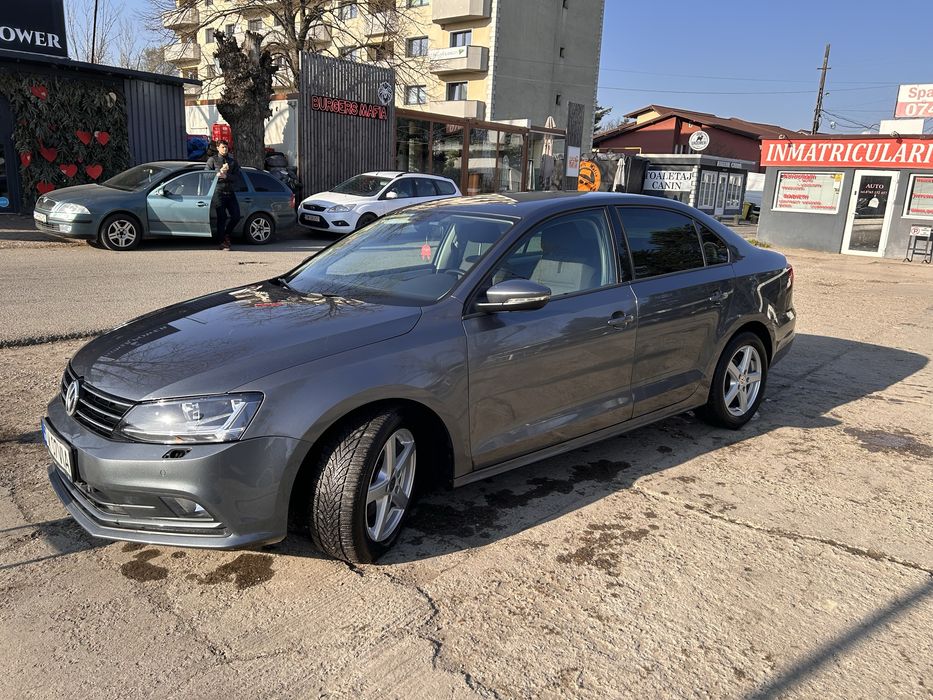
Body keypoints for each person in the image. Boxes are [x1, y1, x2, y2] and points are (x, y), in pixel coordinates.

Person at [206, 140, 242, 250]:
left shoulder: (232, 161)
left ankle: (227, 234)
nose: (225, 149)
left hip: (230, 192)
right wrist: (217, 174)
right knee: (222, 217)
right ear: (218, 148)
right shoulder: (213, 160)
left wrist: (227, 176)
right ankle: (222, 242)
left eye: (226, 147)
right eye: (222, 147)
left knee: (236, 216)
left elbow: (238, 177)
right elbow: (206, 175)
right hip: (218, 192)